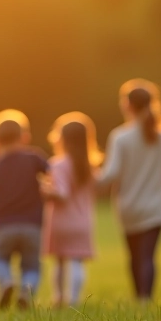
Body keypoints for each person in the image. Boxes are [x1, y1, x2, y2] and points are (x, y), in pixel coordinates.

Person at [97, 80, 161, 301]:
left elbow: (110, 174)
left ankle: (139, 299)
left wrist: (87, 177)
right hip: (157, 206)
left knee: (134, 256)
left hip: (128, 207)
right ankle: (146, 300)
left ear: (127, 105)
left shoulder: (120, 137)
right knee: (148, 255)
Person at [0, 110, 47, 310]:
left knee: (0, 259)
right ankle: (26, 291)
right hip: (32, 225)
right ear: (24, 136)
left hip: (3, 226)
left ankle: (6, 281)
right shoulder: (34, 158)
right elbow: (53, 175)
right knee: (31, 265)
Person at [41, 112, 101, 307]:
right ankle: (74, 299)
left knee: (59, 261)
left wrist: (45, 190)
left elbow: (62, 193)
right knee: (76, 260)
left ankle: (59, 298)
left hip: (61, 221)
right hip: (82, 221)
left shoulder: (58, 163)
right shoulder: (91, 164)